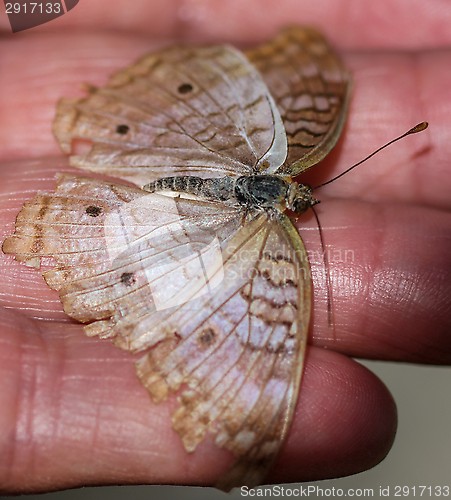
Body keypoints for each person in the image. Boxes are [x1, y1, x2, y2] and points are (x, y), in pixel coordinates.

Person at [0, 0, 450, 493]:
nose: (300, 202)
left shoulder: (273, 226)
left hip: (193, 159)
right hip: (186, 178)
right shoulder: (278, 245)